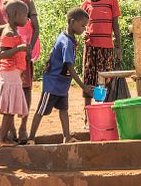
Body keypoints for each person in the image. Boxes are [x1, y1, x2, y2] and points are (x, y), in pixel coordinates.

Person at [28, 8, 93, 144]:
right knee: (41, 110)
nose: (84, 28)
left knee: (64, 110)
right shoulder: (67, 42)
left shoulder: (67, 37)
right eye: (82, 25)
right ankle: (31, 139)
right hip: (53, 84)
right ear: (72, 22)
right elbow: (69, 66)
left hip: (62, 84)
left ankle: (67, 137)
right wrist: (83, 86)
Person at [0, 0, 40, 143]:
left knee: (25, 89)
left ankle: (23, 127)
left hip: (24, 52)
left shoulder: (27, 2)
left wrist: (29, 49)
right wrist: (5, 28)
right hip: (8, 52)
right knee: (10, 90)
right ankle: (9, 130)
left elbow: (36, 27)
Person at [81, 0, 122, 122]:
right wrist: (83, 33)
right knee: (88, 79)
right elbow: (81, 24)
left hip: (106, 49)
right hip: (91, 48)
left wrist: (118, 46)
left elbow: (115, 25)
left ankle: (101, 113)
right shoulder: (86, 4)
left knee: (103, 80)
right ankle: (88, 116)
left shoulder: (112, 1)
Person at [0, 0, 30, 147]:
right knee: (9, 109)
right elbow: (2, 54)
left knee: (10, 108)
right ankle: (2, 138)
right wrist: (19, 49)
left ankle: (0, 136)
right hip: (9, 75)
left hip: (12, 74)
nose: (27, 18)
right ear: (14, 15)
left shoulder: (12, 31)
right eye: (24, 15)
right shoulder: (8, 32)